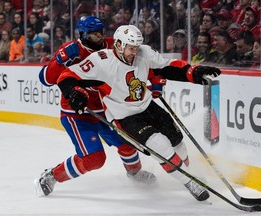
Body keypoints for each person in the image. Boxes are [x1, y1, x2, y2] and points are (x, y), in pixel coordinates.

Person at [57, 25, 221, 201]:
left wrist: (193, 72)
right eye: (130, 48)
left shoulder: (143, 52)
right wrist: (73, 92)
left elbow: (167, 67)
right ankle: (190, 182)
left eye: (136, 48)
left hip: (147, 106)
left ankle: (186, 174)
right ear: (118, 45)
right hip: (124, 117)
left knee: (176, 139)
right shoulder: (101, 60)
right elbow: (66, 77)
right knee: (160, 145)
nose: (134, 52)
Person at [35, 17, 156, 197]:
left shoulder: (112, 45)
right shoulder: (72, 50)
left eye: (100, 32)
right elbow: (45, 79)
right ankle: (52, 176)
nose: (99, 37)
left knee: (128, 143)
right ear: (83, 35)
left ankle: (135, 173)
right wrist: (59, 61)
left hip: (107, 110)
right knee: (94, 159)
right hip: (77, 114)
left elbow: (139, 58)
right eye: (93, 34)